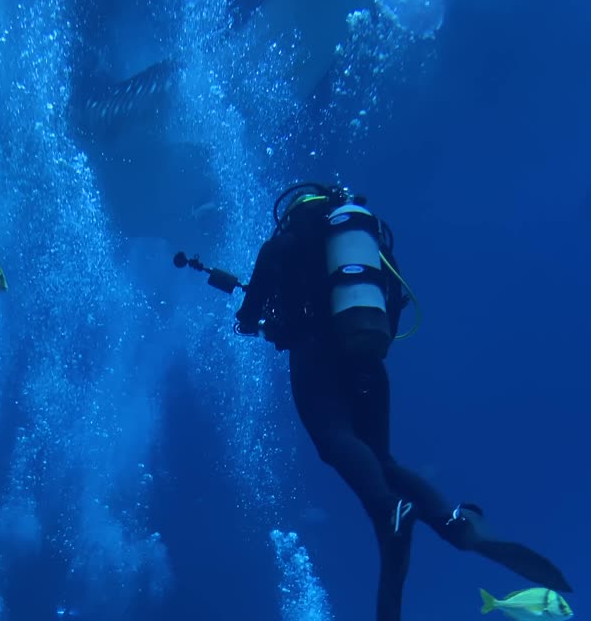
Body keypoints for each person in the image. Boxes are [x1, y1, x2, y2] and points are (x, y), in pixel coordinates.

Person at [232, 182, 571, 621]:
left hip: (314, 355)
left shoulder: (285, 242)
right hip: (368, 356)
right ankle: (455, 523)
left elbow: (252, 308)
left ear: (292, 211)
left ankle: (387, 509)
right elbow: (394, 304)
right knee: (382, 459)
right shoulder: (365, 244)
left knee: (334, 437)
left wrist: (249, 320)